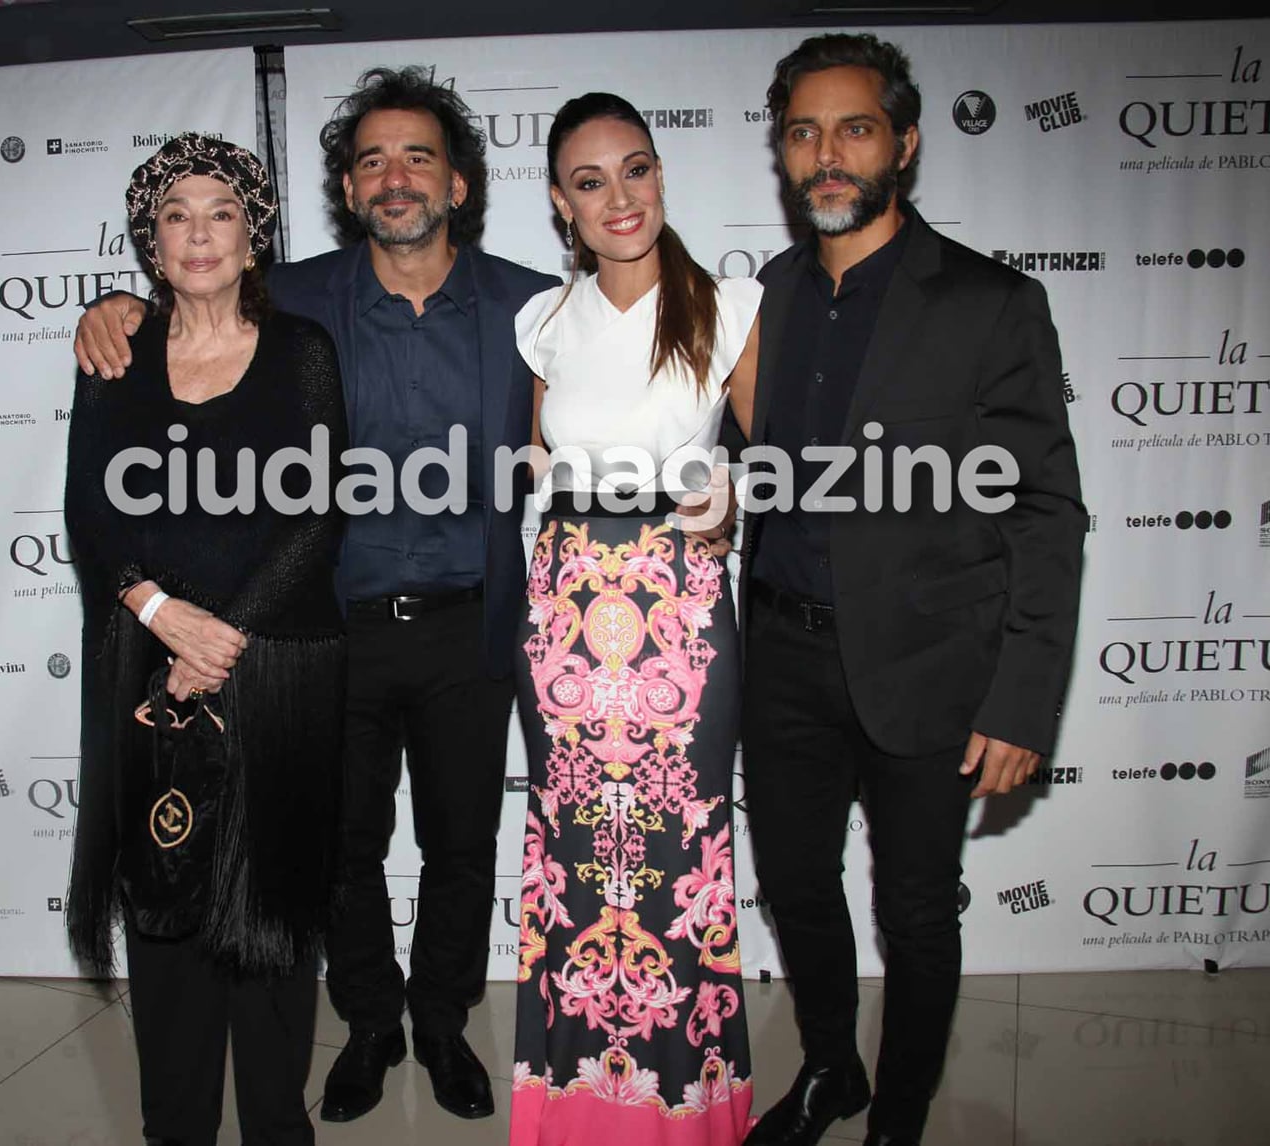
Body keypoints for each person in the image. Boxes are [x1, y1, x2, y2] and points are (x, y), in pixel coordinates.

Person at [74, 67, 561, 1123]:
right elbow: (185, 300)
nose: (396, 177)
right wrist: (111, 307)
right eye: (373, 158)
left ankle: (440, 1021)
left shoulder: (534, 307)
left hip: (468, 625)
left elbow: (631, 375)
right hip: (323, 631)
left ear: (460, 183)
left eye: (418, 155)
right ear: (346, 185)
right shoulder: (291, 298)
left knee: (463, 843)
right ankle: (371, 1023)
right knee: (336, 849)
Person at [739, 34, 1085, 1146]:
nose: (826, 154)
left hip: (930, 669)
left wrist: (1023, 700)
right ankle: (832, 1070)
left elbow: (1044, 512)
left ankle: (897, 1120)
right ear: (783, 153)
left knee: (918, 914)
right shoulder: (773, 294)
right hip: (783, 657)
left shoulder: (987, 303)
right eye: (803, 132)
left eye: (853, 128)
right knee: (796, 887)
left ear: (905, 142)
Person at [62, 132, 347, 1146]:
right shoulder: (113, 353)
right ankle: (173, 1130)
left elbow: (317, 513)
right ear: (149, 237)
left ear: (252, 233)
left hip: (278, 667)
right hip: (146, 663)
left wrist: (224, 633)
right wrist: (157, 612)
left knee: (269, 925)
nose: (197, 233)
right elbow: (90, 516)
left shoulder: (303, 351)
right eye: (175, 214)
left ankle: (278, 1129)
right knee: (163, 906)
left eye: (219, 212)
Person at [509, 92, 761, 1145]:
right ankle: (575, 1107)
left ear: (662, 175)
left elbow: (783, 458)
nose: (620, 196)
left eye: (636, 168)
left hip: (679, 612)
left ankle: (686, 1113)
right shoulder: (542, 321)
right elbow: (539, 464)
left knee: (679, 853)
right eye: (590, 179)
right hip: (567, 611)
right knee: (573, 860)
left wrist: (739, 492)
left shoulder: (732, 306)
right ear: (563, 206)